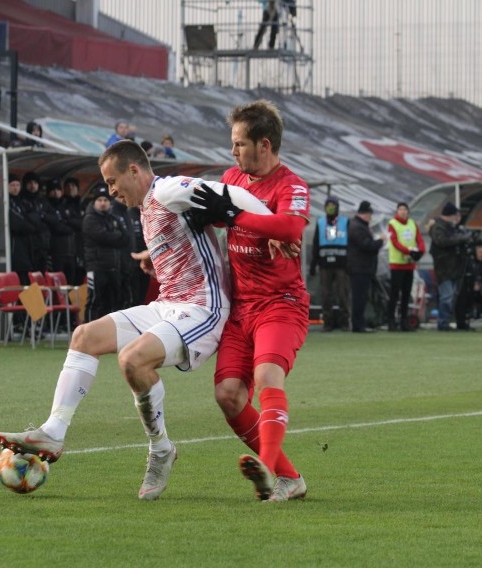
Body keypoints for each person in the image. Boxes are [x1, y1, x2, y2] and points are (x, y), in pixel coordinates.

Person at [0, 140, 270, 500]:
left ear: (134, 171)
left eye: (111, 181)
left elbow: (229, 194)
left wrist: (276, 228)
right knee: (84, 336)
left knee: (132, 360)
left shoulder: (169, 189)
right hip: (168, 304)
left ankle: (160, 449)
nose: (109, 191)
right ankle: (54, 431)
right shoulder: (147, 206)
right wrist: (154, 259)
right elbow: (185, 244)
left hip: (202, 309)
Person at [190, 99, 311, 502]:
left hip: (281, 303)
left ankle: (268, 463)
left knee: (265, 380)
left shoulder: (290, 185)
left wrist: (239, 218)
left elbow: (290, 226)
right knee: (227, 395)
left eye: (240, 143)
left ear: (264, 144)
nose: (233, 151)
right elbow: (209, 214)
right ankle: (289, 478)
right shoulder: (231, 179)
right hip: (239, 309)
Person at [82, 185, 128, 321]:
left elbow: (125, 238)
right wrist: (115, 236)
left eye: (105, 200)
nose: (103, 203)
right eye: (100, 200)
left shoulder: (114, 218)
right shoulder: (89, 219)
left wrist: (112, 236)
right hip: (96, 267)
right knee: (95, 301)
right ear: (94, 202)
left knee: (112, 302)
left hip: (113, 267)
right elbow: (101, 236)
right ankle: (88, 332)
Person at [309, 196, 350, 331]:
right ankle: (328, 322)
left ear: (337, 208)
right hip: (324, 265)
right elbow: (316, 245)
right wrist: (313, 265)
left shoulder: (345, 222)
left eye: (333, 206)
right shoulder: (320, 222)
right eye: (328, 206)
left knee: (342, 294)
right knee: (326, 295)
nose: (330, 208)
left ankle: (344, 322)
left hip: (341, 265)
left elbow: (351, 244)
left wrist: (350, 264)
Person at [429, 202, 470, 331]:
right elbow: (442, 241)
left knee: (451, 296)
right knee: (446, 296)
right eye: (455, 214)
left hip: (454, 267)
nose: (456, 218)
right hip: (444, 268)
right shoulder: (438, 228)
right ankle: (443, 323)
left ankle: (445, 321)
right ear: (450, 215)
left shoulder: (449, 228)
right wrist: (460, 239)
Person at [386, 202, 425, 331]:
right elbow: (395, 242)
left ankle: (404, 320)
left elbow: (419, 239)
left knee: (406, 294)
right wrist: (409, 251)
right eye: (400, 210)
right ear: (397, 211)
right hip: (397, 264)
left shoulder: (412, 223)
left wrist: (420, 251)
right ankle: (391, 320)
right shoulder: (392, 224)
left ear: (408, 211)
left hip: (409, 264)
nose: (403, 212)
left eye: (405, 210)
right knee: (394, 294)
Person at [347, 200, 385, 333]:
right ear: (365, 214)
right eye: (370, 214)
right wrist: (380, 241)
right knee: (359, 297)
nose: (371, 217)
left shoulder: (358, 226)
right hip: (359, 268)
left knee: (361, 297)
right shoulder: (357, 227)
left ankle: (359, 323)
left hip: (363, 268)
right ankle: (358, 325)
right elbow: (367, 245)